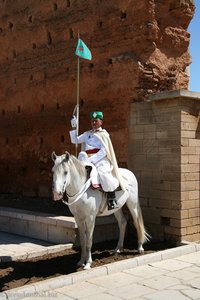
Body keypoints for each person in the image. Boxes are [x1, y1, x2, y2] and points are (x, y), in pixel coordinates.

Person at [69, 111, 126, 210]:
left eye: (96, 121)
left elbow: (104, 151)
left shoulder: (104, 134)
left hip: (101, 159)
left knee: (103, 174)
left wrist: (92, 159)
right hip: (86, 158)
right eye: (92, 121)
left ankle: (111, 199)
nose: (94, 123)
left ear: (101, 122)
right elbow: (75, 140)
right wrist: (74, 127)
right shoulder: (87, 134)